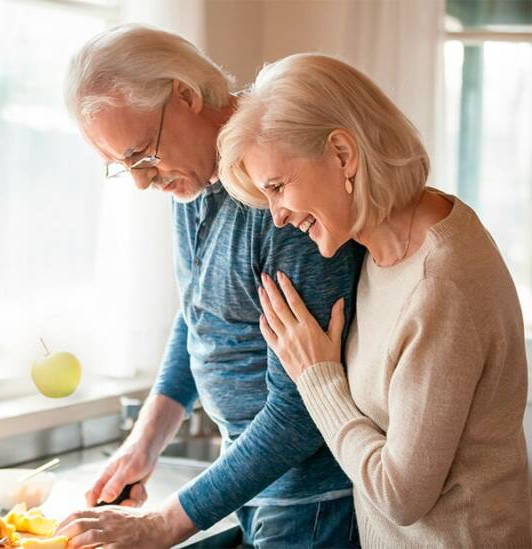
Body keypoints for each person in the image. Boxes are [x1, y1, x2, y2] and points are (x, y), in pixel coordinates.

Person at [54, 25, 365, 549]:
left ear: (185, 96)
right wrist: (144, 442)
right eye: (121, 167)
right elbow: (203, 312)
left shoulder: (283, 195)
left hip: (310, 503)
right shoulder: (196, 178)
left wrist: (162, 524)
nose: (140, 181)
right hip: (252, 486)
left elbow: (304, 408)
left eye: (141, 155)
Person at [217, 52, 532, 548]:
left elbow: (400, 494)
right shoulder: (379, 246)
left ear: (342, 154)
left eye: (278, 187)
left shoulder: (440, 284)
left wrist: (316, 378)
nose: (276, 216)